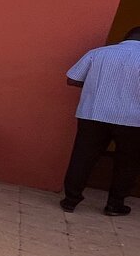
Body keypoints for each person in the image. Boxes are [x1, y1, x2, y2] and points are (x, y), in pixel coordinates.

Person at [60, 27, 140, 216]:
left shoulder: (98, 53)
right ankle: (115, 204)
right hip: (132, 119)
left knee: (82, 157)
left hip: (93, 113)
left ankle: (70, 200)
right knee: (127, 162)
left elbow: (72, 79)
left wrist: (95, 85)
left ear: (125, 37)